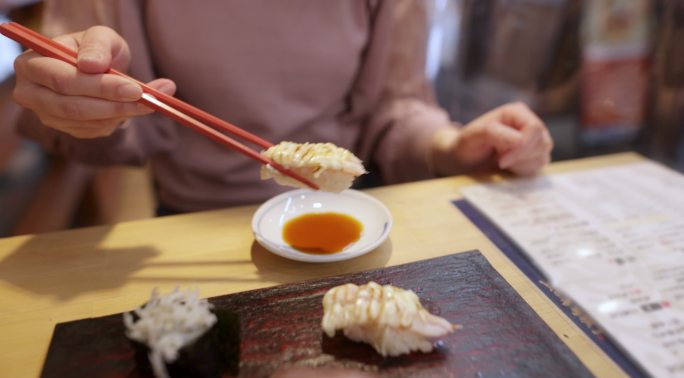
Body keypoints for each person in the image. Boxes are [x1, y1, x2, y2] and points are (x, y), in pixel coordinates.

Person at [11, 0, 553, 214]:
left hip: (346, 212)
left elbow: (395, 108)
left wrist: (453, 145)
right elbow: (109, 107)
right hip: (190, 221)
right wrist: (83, 102)